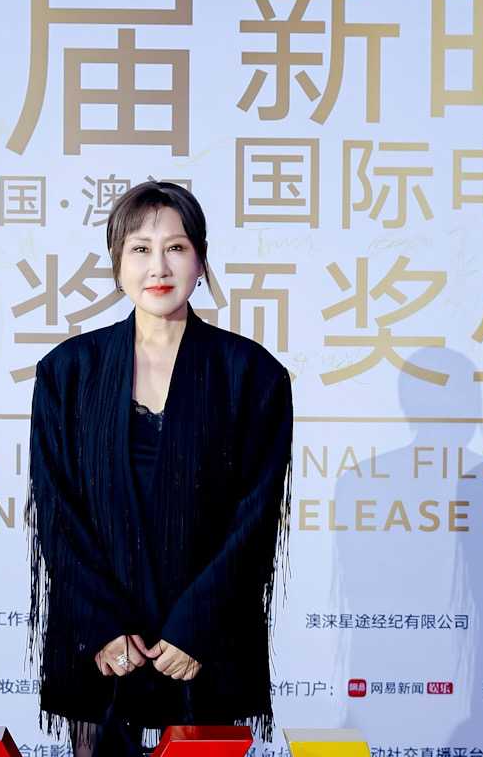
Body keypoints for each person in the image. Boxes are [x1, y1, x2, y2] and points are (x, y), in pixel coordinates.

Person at [25, 181, 294, 756]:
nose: (158, 267)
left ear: (200, 259)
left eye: (176, 247)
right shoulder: (68, 372)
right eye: (140, 249)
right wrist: (102, 627)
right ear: (117, 262)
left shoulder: (251, 374)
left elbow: (255, 518)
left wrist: (195, 627)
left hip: (206, 640)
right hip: (101, 644)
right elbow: (57, 512)